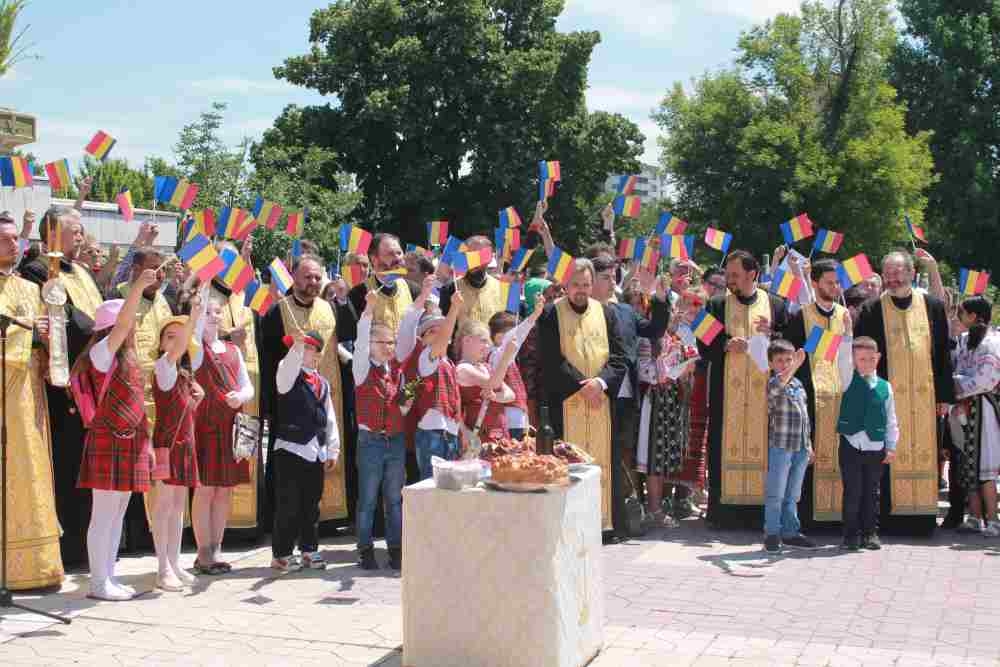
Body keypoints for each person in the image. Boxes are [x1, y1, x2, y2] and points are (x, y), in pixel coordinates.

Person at [21, 205, 104, 567]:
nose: (81, 236)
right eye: (75, 230)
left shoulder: (83, 271)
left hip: (93, 379)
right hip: (62, 384)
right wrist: (99, 329)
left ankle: (92, 544)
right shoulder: (38, 270)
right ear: (52, 234)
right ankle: (70, 548)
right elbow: (67, 320)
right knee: (68, 465)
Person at [854, 251, 954, 534]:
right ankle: (886, 520)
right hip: (887, 398)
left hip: (926, 398)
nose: (894, 278)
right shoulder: (872, 309)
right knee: (887, 453)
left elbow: (943, 353)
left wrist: (944, 396)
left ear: (911, 273)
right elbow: (862, 353)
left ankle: (922, 520)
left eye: (899, 272)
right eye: (889, 273)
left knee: (926, 453)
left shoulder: (932, 306)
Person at [72, 275, 157, 601]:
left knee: (117, 512)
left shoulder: (129, 359)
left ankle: (108, 576)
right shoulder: (101, 355)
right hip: (109, 439)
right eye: (129, 321)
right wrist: (137, 288)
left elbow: (138, 405)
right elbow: (122, 326)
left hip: (131, 442)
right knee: (103, 514)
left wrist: (146, 444)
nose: (134, 328)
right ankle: (98, 582)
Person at [698, 250, 789, 528]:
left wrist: (773, 333)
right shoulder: (715, 304)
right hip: (727, 395)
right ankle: (722, 514)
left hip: (767, 398)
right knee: (722, 447)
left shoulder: (776, 304)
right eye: (728, 274)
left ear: (753, 275)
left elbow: (789, 345)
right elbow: (703, 342)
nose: (729, 279)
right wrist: (725, 344)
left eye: (735, 275)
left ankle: (763, 514)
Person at [539, 258, 628, 534]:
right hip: (567, 403)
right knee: (568, 462)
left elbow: (620, 356)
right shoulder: (552, 313)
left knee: (604, 464)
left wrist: (600, 383)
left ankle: (605, 526)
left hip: (601, 402)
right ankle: (570, 526)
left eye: (586, 284)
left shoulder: (606, 313)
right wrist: (582, 385)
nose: (581, 290)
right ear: (565, 284)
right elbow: (551, 360)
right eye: (576, 284)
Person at [260, 255, 348, 536]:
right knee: (288, 473)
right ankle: (284, 528)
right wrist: (271, 406)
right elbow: (269, 359)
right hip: (291, 406)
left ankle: (325, 521)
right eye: (307, 277)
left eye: (316, 277)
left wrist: (345, 302)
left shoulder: (329, 307)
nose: (312, 282)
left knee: (321, 462)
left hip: (325, 396)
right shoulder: (278, 311)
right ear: (294, 278)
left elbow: (347, 336)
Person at [0, 212, 63, 590]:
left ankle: (32, 569)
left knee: (27, 471)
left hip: (25, 394)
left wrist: (46, 332)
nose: (13, 244)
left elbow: (49, 341)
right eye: (5, 239)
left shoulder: (26, 287)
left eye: (14, 239)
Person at [591, 253, 670, 539]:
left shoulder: (624, 310)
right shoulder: (581, 311)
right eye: (605, 277)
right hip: (594, 394)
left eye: (614, 276)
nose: (613, 281)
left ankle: (620, 519)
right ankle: (599, 519)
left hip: (626, 395)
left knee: (621, 453)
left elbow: (653, 329)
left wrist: (660, 299)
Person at [783, 259, 852, 525]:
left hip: (838, 396)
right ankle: (805, 519)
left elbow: (847, 359)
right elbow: (793, 353)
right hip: (808, 398)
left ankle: (836, 517)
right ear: (815, 282)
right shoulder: (801, 315)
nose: (834, 287)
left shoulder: (844, 315)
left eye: (837, 283)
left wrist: (846, 336)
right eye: (829, 282)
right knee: (805, 460)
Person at [191, 293, 255, 574]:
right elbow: (193, 332)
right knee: (205, 490)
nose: (213, 316)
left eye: (216, 311)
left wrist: (239, 397)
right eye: (207, 311)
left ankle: (217, 548)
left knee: (225, 491)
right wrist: (201, 289)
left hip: (230, 425)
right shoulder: (193, 348)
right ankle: (202, 551)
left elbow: (247, 386)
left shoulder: (233, 349)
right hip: (204, 424)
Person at [271, 331, 341, 572]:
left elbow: (329, 416)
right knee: (288, 504)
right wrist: (296, 347)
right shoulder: (287, 370)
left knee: (311, 505)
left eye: (311, 349)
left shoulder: (322, 382)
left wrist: (333, 449)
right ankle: (281, 553)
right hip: (290, 448)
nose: (307, 353)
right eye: (304, 348)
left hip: (315, 451)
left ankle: (309, 549)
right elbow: (288, 369)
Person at [353, 292, 412, 570]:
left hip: (395, 441)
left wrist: (406, 402)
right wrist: (368, 309)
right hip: (371, 442)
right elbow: (362, 334)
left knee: (394, 499)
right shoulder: (362, 367)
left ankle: (396, 548)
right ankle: (365, 548)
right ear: (370, 344)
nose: (390, 347)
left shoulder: (396, 371)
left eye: (392, 342)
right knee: (367, 499)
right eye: (384, 342)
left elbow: (401, 409)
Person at [150, 301, 204, 591]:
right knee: (164, 506)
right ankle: (162, 568)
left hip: (184, 444)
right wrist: (192, 317)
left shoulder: (184, 374)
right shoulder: (164, 367)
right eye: (169, 336)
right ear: (161, 344)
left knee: (178, 507)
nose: (176, 339)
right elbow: (180, 347)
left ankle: (173, 561)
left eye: (178, 335)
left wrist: (196, 401)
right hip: (168, 445)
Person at [210, 240, 263, 536]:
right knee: (223, 451)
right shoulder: (209, 294)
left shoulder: (242, 293)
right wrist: (231, 335)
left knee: (246, 448)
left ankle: (248, 522)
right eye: (225, 260)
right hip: (221, 380)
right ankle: (221, 527)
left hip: (249, 379)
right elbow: (202, 333)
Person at [835, 336, 900, 551]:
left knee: (872, 493)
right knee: (852, 492)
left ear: (878, 358)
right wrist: (846, 333)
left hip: (875, 446)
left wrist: (890, 446)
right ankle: (850, 535)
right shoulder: (847, 379)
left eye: (871, 359)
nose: (867, 363)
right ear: (853, 360)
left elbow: (891, 419)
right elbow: (842, 357)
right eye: (861, 359)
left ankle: (870, 533)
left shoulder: (885, 387)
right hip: (851, 444)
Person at [637, 302, 696, 530]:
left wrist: (683, 366)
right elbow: (647, 373)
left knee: (662, 457)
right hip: (654, 400)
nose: (669, 318)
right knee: (654, 456)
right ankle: (653, 509)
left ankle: (658, 505)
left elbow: (689, 363)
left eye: (669, 313)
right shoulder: (646, 340)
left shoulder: (676, 337)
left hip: (670, 398)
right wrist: (667, 364)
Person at [400, 280, 463, 480]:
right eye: (431, 331)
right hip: (432, 434)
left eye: (440, 329)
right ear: (423, 339)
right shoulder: (425, 357)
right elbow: (443, 337)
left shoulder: (450, 363)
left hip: (450, 435)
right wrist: (454, 308)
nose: (438, 334)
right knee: (431, 491)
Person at [947, 296, 1000, 535]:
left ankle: (993, 519)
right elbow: (958, 369)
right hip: (964, 408)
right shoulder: (965, 340)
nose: (960, 316)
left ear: (974, 316)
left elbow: (987, 378)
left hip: (983, 409)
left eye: (963, 312)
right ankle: (974, 517)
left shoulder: (992, 342)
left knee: (984, 464)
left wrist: (957, 386)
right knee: (967, 463)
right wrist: (958, 389)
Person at [763, 339, 815, 553]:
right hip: (781, 446)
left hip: (800, 447)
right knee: (776, 492)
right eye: (779, 360)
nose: (784, 364)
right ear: (772, 364)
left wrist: (809, 445)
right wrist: (796, 364)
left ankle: (790, 532)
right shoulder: (774, 383)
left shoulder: (798, 384)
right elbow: (781, 382)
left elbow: (805, 417)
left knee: (793, 493)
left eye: (788, 360)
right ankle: (772, 533)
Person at [487, 298, 546, 441]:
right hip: (508, 422)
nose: (519, 339)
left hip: (519, 421)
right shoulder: (496, 354)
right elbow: (517, 335)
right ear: (499, 336)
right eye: (512, 332)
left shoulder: (509, 356)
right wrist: (534, 316)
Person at [456, 320, 515, 441]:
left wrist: (494, 396)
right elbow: (494, 384)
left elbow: (511, 395)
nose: (487, 346)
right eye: (483, 340)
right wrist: (506, 357)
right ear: (467, 340)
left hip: (500, 434)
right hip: (479, 437)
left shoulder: (486, 367)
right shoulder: (462, 369)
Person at [439, 235, 507, 327]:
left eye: (479, 255)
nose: (474, 261)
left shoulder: (501, 288)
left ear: (489, 258)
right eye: (470, 255)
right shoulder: (450, 289)